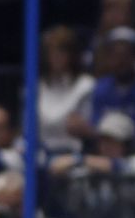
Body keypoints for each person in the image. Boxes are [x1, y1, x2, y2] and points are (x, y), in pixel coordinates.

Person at [37, 25, 94, 155]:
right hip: (40, 153)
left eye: (61, 51)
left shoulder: (86, 85)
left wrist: (84, 128)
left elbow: (89, 129)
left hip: (73, 154)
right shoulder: (36, 87)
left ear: (72, 55)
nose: (56, 56)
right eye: (51, 51)